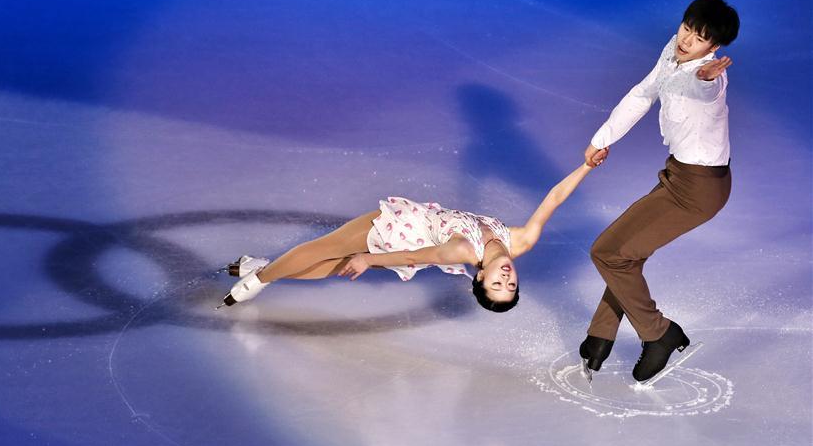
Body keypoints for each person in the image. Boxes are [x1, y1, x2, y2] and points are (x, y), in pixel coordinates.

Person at [579, 0, 740, 382]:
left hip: (701, 190)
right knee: (622, 250)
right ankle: (602, 333)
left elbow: (707, 87)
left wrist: (707, 76)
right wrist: (604, 138)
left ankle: (660, 333)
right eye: (687, 28)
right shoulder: (673, 49)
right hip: (677, 175)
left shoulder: (710, 75)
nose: (686, 40)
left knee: (608, 252)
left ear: (713, 48)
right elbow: (642, 93)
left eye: (699, 38)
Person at [221, 152, 608, 311]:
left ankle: (256, 280)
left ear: (480, 277)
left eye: (496, 285)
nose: (505, 279)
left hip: (401, 232)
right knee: (334, 259)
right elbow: (554, 198)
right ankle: (262, 268)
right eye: (510, 285)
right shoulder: (520, 240)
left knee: (329, 248)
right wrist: (588, 165)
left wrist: (367, 258)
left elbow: (411, 257)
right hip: (410, 235)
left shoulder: (461, 252)